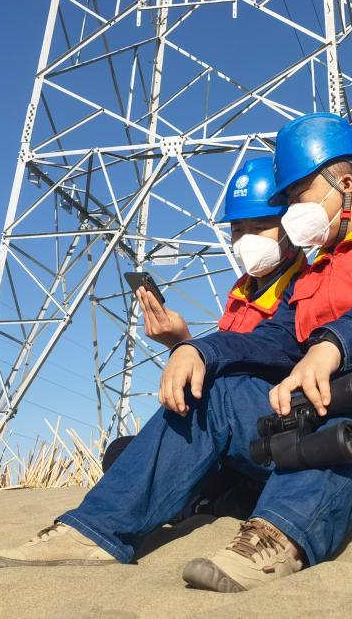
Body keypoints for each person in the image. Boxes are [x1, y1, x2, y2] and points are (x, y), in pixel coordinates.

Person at [0, 112, 352, 595]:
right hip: (351, 448)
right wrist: (198, 350)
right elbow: (269, 341)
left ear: (345, 184)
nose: (292, 213)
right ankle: (94, 531)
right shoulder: (313, 277)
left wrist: (335, 343)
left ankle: (279, 536)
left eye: (299, 196)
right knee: (221, 391)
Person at [103, 156, 306, 519]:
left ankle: (208, 501)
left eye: (260, 227)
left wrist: (195, 349)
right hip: (225, 426)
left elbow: (263, 357)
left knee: (174, 467)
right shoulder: (241, 292)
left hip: (268, 424)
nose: (246, 240)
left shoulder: (306, 286)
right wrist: (180, 341)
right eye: (238, 229)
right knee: (120, 453)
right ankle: (210, 501)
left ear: (291, 227)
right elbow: (227, 361)